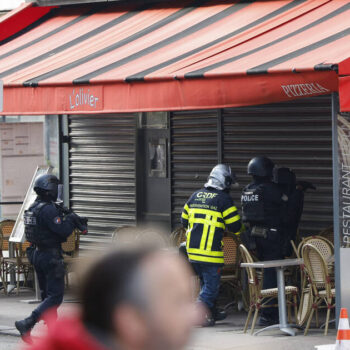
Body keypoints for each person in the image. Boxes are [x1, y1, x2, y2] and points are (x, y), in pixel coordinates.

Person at [25, 239, 203, 350]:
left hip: (44, 257)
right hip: (50, 258)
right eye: (178, 302)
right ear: (131, 321)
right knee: (54, 295)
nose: (197, 314)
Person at [15, 174, 86, 343]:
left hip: (37, 254)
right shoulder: (48, 209)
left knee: (48, 295)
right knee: (55, 296)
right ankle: (28, 322)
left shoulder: (35, 207)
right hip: (50, 256)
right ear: (50, 190)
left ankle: (53, 335)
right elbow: (62, 231)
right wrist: (71, 221)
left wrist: (66, 217)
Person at [181, 164, 242, 326]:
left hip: (192, 253)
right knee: (212, 287)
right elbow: (235, 226)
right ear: (223, 181)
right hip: (210, 254)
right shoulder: (223, 199)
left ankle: (211, 313)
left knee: (205, 283)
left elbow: (183, 220)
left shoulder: (195, 196)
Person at [241, 157, 288, 326]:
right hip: (270, 237)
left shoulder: (248, 190)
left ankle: (265, 309)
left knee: (265, 274)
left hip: (254, 239)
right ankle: (268, 313)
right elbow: (285, 203)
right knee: (272, 273)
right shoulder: (270, 190)